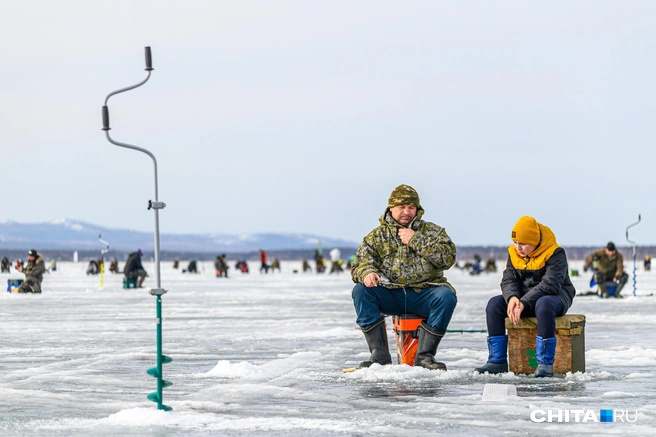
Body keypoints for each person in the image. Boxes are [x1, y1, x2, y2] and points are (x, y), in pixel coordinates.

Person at [351, 184, 457, 370]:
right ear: (391, 208)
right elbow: (359, 264)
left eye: (411, 207)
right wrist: (367, 273)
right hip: (391, 294)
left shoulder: (433, 232)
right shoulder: (375, 237)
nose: (407, 212)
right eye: (402, 207)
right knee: (361, 291)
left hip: (424, 294)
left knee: (446, 296)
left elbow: (447, 260)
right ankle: (379, 357)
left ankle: (425, 357)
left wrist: (416, 240)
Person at [474, 216, 576, 377]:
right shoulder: (514, 253)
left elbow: (551, 284)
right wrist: (512, 298)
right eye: (515, 243)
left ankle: (544, 364)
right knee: (494, 305)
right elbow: (508, 280)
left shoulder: (555, 253)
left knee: (544, 304)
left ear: (535, 242)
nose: (518, 248)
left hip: (554, 297)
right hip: (523, 299)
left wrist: (523, 302)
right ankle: (497, 360)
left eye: (523, 244)